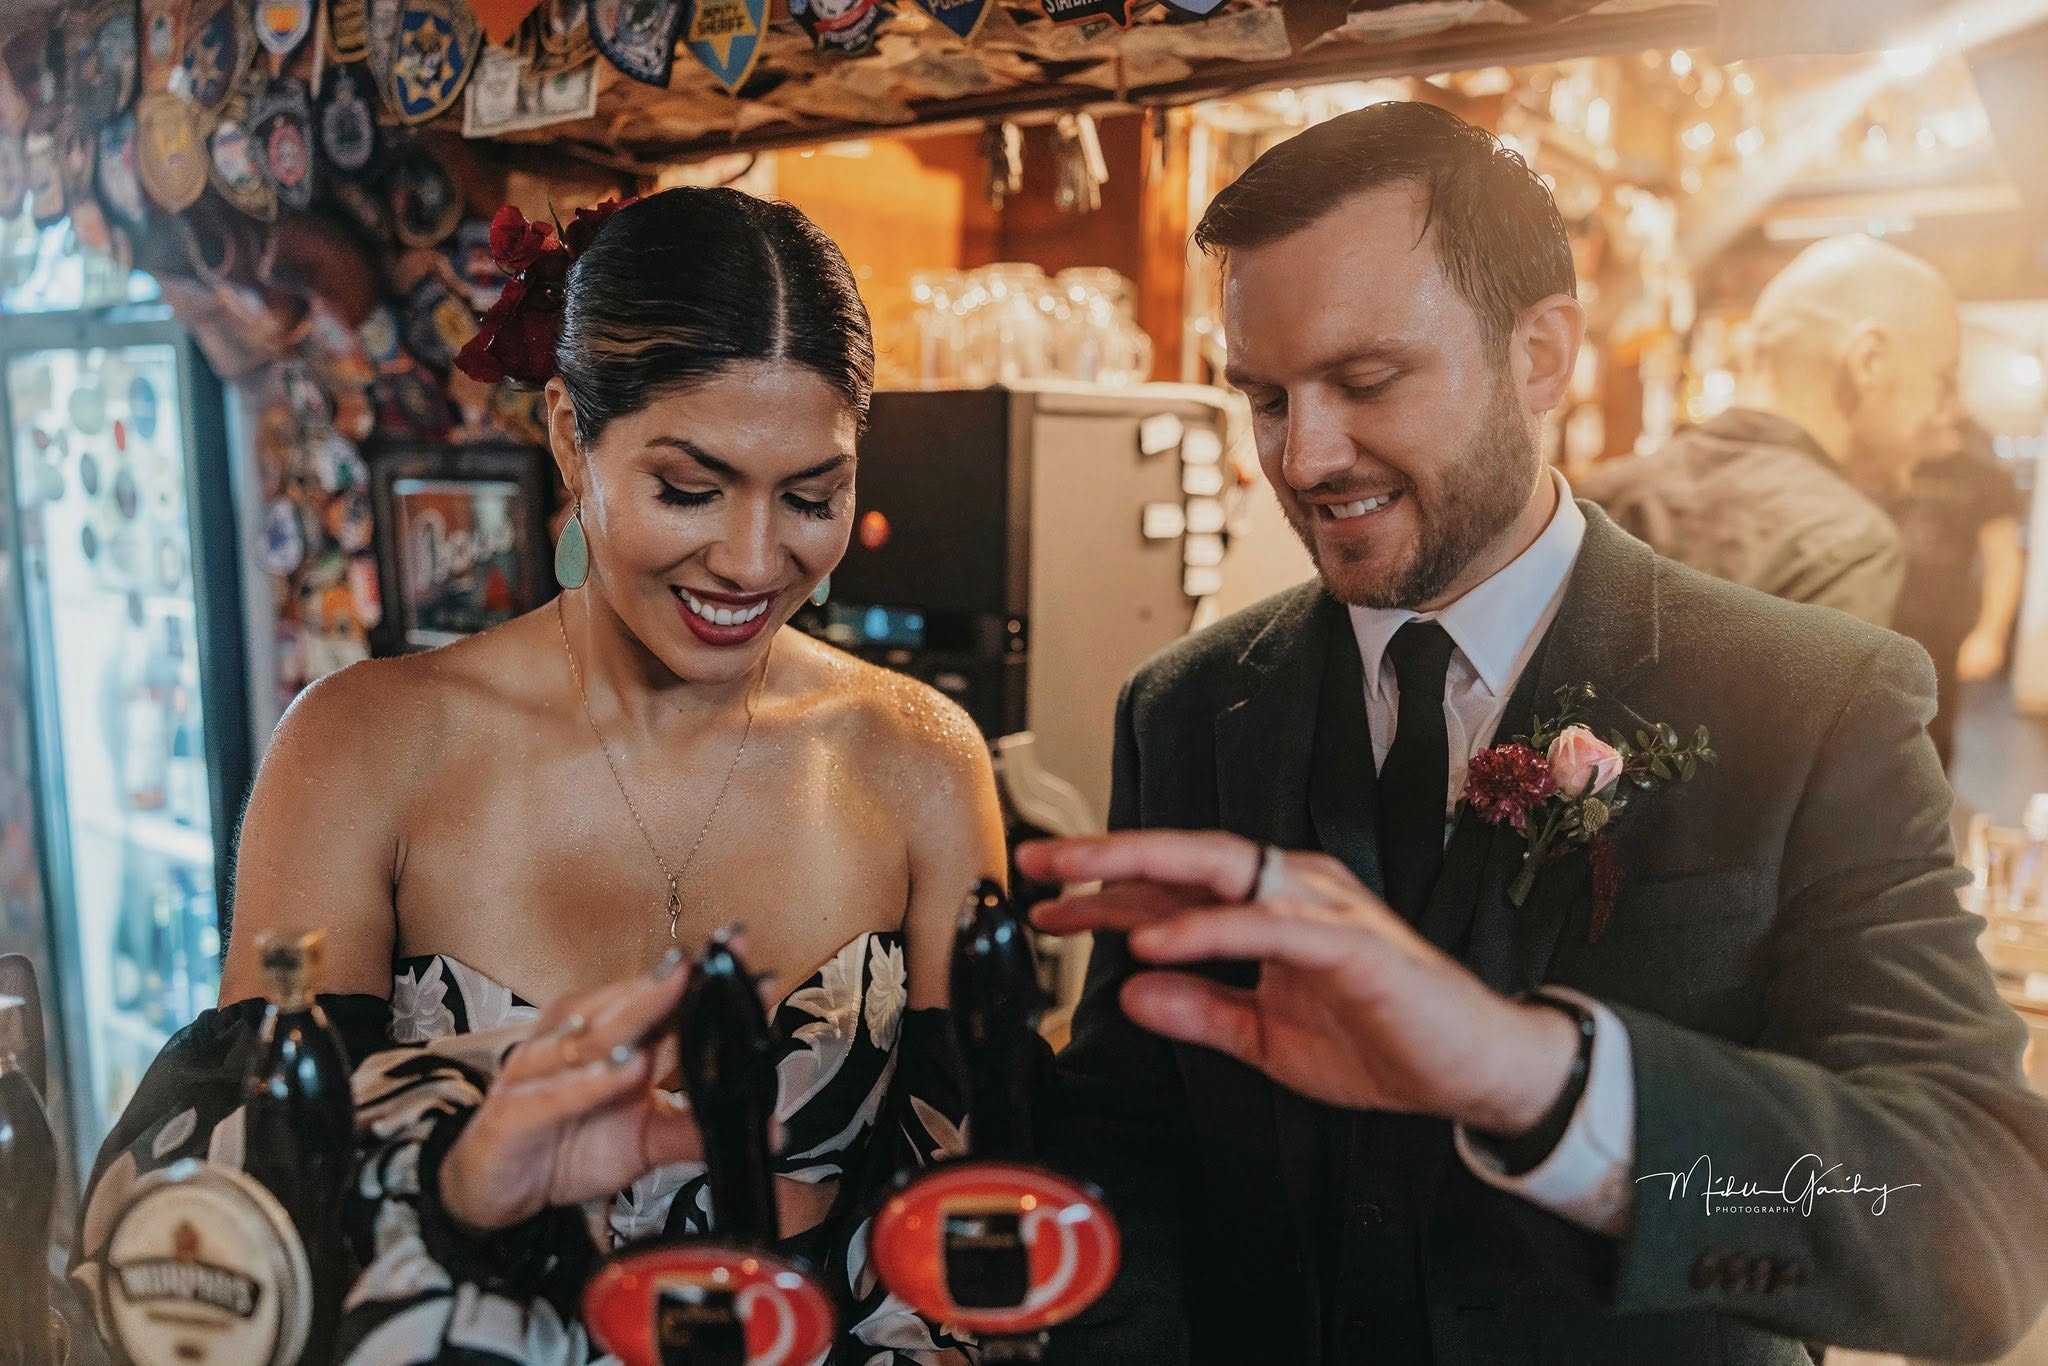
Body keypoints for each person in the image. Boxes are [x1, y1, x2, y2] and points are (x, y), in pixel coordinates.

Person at [1029, 102, 2048, 1366]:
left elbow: (1970, 1220)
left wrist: (1532, 1079)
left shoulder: (1810, 699)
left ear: (1541, 356)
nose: (1301, 456)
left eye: (1363, 381)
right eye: (1264, 396)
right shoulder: (1183, 710)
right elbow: (1132, 1141)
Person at [73, 188, 1004, 1364]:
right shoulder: (363, 744)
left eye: (812, 496)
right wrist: (460, 1181)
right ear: (570, 433)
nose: (756, 560)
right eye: (689, 488)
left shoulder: (919, 757)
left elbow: (973, 1211)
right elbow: (234, 1217)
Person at [1580, 234, 1965, 628]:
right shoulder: (1844, 543)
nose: (1953, 412)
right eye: (1944, 382)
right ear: (1868, 360)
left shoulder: (1600, 497)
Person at [1881, 419, 2029, 770]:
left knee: (1933, 741)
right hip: (1877, 617)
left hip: (1942, 631)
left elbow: (2004, 557)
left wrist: (1991, 633)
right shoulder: (1884, 463)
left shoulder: (1984, 474)